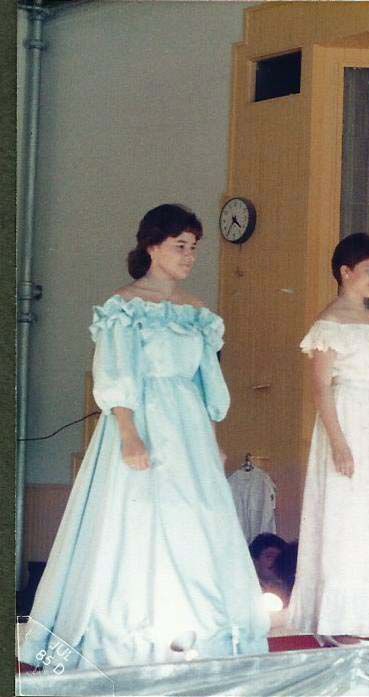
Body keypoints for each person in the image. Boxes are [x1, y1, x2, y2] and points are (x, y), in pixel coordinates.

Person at [19, 204, 269, 669]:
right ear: (152, 247)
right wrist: (129, 433)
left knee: (193, 518)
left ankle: (199, 630)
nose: (189, 255)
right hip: (142, 420)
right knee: (136, 517)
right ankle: (126, 634)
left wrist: (210, 436)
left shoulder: (197, 312)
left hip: (188, 428)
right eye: (180, 246)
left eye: (194, 247)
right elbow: (116, 372)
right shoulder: (125, 306)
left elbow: (203, 383)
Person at [287, 233, 369, 640]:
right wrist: (338, 443)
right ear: (345, 272)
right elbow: (321, 389)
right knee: (343, 513)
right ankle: (335, 618)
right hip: (346, 418)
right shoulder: (329, 324)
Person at [249, 533, 289, 606]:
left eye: (279, 557)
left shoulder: (290, 588)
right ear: (255, 561)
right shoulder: (246, 588)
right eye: (269, 557)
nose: (275, 561)